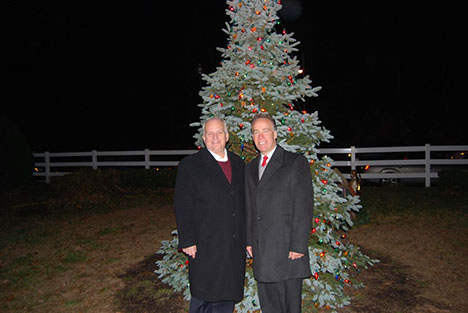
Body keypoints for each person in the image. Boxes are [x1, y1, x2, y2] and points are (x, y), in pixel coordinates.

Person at [174, 117, 246, 313]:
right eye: (210, 134)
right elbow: (182, 205)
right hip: (205, 244)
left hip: (232, 246)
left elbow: (244, 204)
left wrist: (247, 240)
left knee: (226, 297)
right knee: (204, 297)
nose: (215, 137)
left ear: (227, 136)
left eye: (219, 133)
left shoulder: (239, 164)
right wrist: (187, 240)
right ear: (204, 138)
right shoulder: (191, 165)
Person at [245, 113, 314, 313]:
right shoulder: (250, 168)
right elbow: (250, 207)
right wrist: (249, 241)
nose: (261, 136)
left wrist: (298, 245)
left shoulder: (294, 163)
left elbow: (303, 206)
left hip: (287, 252)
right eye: (256, 132)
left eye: (265, 131)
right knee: (270, 307)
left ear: (275, 134)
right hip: (262, 250)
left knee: (290, 307)